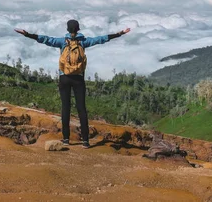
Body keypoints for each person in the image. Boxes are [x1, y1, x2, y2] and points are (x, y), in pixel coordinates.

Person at [14, 19, 130, 148]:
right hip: (78, 78)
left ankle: (66, 139)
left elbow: (45, 39)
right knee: (81, 109)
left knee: (65, 108)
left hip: (64, 77)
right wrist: (120, 33)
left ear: (67, 30)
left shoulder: (62, 42)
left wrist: (27, 34)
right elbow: (101, 39)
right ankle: (85, 141)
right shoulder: (84, 42)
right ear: (78, 29)